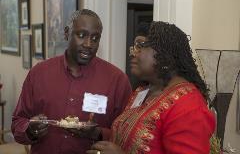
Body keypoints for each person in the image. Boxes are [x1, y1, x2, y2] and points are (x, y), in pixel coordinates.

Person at [11, 9, 132, 154]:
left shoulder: (117, 80)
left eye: (95, 38)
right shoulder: (39, 73)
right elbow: (18, 122)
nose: (88, 44)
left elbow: (127, 136)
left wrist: (98, 133)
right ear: (67, 33)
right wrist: (30, 130)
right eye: (81, 35)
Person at [86, 21, 216, 154]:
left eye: (140, 46)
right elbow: (131, 140)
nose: (133, 53)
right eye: (134, 47)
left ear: (164, 52)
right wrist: (99, 134)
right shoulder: (142, 91)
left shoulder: (188, 105)